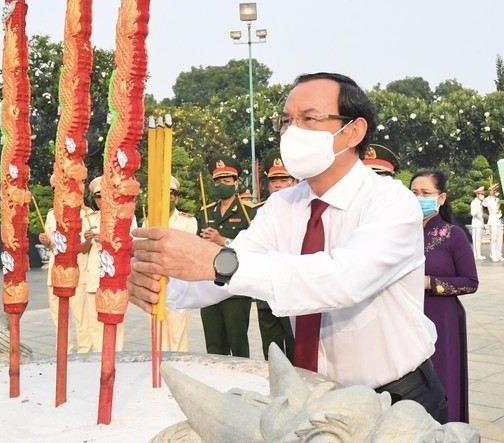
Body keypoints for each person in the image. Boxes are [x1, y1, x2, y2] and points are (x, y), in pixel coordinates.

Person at [128, 72, 448, 423]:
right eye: (286, 121)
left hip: (394, 398)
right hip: (313, 397)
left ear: (353, 131)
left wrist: (219, 263)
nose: (292, 132)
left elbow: (342, 281)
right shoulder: (283, 206)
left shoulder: (391, 202)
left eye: (309, 119)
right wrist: (162, 285)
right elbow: (223, 271)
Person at [410, 171, 478, 423]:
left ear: (441, 198)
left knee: (442, 377)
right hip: (406, 315)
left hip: (442, 318)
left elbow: (470, 282)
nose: (419, 198)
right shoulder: (402, 233)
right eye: (414, 193)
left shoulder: (453, 234)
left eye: (426, 194)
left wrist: (431, 283)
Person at [197, 156, 256, 358]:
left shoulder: (249, 212)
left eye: (227, 181)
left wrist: (222, 240)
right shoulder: (205, 211)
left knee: (238, 344)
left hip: (236, 288)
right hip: (210, 285)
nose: (222, 185)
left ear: (236, 182)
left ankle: (241, 386)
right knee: (214, 346)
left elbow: (253, 248)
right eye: (218, 181)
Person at [143, 176, 198, 351]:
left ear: (176, 198)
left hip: (178, 284)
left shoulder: (187, 221)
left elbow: (189, 252)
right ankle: (160, 373)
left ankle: (178, 370)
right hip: (155, 284)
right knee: (158, 334)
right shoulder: (148, 221)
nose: (167, 198)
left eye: (171, 194)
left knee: (177, 335)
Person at [38, 175, 92, 353]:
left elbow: (84, 249)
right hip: (55, 272)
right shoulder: (51, 215)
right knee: (58, 316)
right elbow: (52, 244)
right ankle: (64, 350)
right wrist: (45, 241)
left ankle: (85, 350)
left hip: (78, 272)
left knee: (81, 316)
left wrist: (88, 241)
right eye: (55, 190)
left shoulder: (85, 213)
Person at [256, 152, 296, 362]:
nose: (278, 185)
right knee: (270, 352)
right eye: (274, 180)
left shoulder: (305, 212)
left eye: (284, 180)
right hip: (266, 293)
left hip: (293, 292)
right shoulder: (260, 214)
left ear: (294, 181)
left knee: (295, 349)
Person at [83, 176, 128, 352]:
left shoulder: (124, 216)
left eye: (104, 195)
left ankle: (116, 359)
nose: (101, 200)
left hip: (115, 279)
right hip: (94, 277)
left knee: (116, 324)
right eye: (97, 197)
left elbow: (128, 247)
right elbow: (83, 250)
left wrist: (107, 241)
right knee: (94, 326)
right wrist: (87, 240)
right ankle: (95, 361)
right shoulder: (90, 218)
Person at [482, 183, 504, 262]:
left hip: (500, 220)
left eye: (496, 190)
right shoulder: (488, 199)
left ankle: (499, 254)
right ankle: (493, 255)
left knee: (500, 239)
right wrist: (490, 196)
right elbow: (484, 203)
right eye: (494, 190)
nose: (495, 191)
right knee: (493, 238)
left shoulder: (499, 199)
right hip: (493, 220)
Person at [470, 187, 486, 260]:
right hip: (476, 223)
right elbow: (473, 213)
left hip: (480, 223)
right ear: (477, 194)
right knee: (476, 239)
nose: (482, 195)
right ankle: (475, 254)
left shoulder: (480, 203)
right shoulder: (474, 202)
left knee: (479, 239)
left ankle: (478, 254)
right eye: (481, 194)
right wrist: (481, 215)